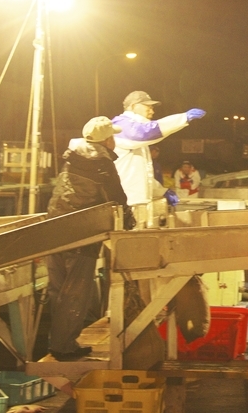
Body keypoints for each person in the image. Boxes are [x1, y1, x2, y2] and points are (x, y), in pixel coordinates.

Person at [46, 116, 134, 361]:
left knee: (57, 291)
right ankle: (65, 347)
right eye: (112, 137)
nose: (114, 141)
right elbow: (117, 198)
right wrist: (128, 222)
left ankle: (57, 342)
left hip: (52, 230)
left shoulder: (72, 157)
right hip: (80, 235)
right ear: (106, 141)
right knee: (76, 292)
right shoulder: (102, 164)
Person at [112, 91, 205, 227]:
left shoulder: (133, 133)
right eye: (147, 106)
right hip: (128, 203)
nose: (152, 111)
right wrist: (183, 118)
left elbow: (140, 174)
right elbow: (147, 132)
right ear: (133, 106)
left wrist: (161, 191)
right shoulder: (120, 126)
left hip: (137, 202)